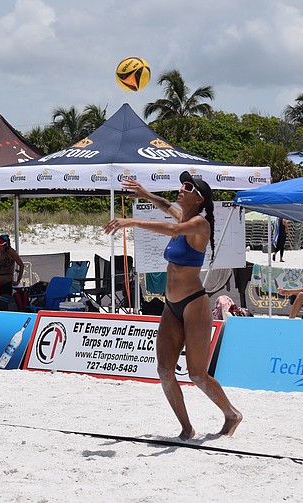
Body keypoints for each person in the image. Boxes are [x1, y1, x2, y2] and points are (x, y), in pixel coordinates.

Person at [103, 172, 242, 439]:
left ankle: (232, 414)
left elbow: (174, 229)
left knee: (197, 375)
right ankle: (187, 428)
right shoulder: (185, 217)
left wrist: (130, 221)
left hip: (194, 304)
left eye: (188, 187)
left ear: (199, 198)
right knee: (164, 371)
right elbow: (167, 208)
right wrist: (145, 194)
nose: (181, 188)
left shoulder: (200, 224)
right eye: (182, 184)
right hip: (171, 305)